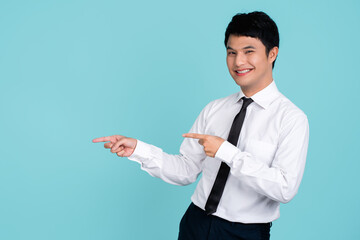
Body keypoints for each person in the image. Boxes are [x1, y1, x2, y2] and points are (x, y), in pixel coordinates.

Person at [93, 11, 309, 240]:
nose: (238, 62)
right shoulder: (215, 109)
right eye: (231, 52)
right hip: (195, 223)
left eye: (248, 52)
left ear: (272, 53)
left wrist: (226, 152)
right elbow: (186, 170)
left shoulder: (291, 119)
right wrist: (138, 149)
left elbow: (285, 188)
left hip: (245, 233)